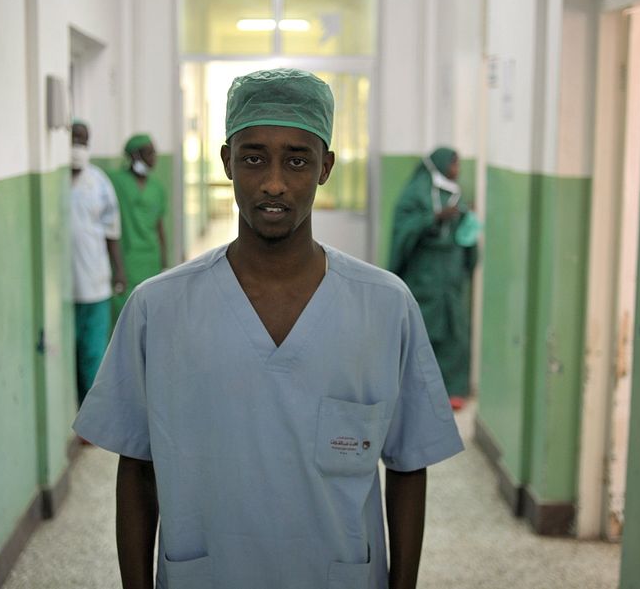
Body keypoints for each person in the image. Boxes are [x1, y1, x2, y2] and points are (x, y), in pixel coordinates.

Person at [74, 68, 463, 589]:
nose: (274, 182)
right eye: (253, 157)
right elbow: (138, 471)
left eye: (297, 160)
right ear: (227, 162)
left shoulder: (384, 306)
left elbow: (408, 464)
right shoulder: (158, 310)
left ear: (325, 167)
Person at [388, 147, 479, 410]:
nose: (457, 169)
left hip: (450, 276)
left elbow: (466, 237)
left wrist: (465, 221)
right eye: (453, 163)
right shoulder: (416, 191)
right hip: (424, 272)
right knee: (423, 330)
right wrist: (433, 218)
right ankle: (415, 389)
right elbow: (403, 227)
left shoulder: (455, 193)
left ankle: (452, 391)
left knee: (455, 332)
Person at [69, 120, 127, 404]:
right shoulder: (54, 184)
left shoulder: (98, 183)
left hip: (95, 282)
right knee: (71, 352)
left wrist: (119, 270)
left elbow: (112, 231)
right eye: (73, 139)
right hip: (64, 290)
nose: (77, 147)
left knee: (94, 352)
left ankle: (93, 411)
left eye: (83, 140)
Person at [108, 133, 168, 322]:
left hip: (151, 259)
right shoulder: (116, 182)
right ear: (134, 156)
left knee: (150, 315)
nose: (153, 158)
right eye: (148, 153)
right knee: (124, 318)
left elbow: (160, 227)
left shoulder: (157, 188)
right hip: (126, 261)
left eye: (154, 153)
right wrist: (118, 270)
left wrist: (164, 262)